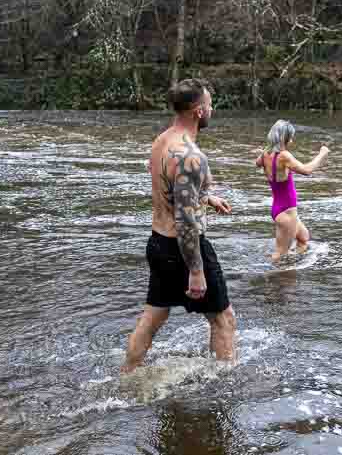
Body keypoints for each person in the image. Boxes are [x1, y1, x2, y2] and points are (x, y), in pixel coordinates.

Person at [122, 79, 236, 373]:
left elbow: (169, 188)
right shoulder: (191, 157)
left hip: (158, 243)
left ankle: (127, 375)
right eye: (209, 104)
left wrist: (206, 197)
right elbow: (185, 219)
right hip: (184, 247)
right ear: (198, 111)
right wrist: (196, 272)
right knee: (223, 320)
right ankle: (225, 387)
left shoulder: (162, 141)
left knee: (153, 317)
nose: (212, 109)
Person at [255, 120, 330, 262]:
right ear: (284, 138)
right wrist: (322, 154)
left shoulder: (266, 154)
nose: (292, 140)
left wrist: (264, 155)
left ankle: (290, 268)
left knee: (303, 238)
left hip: (280, 208)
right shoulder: (284, 156)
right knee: (279, 254)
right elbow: (307, 170)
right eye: (290, 137)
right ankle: (269, 276)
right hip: (287, 212)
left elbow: (257, 163)